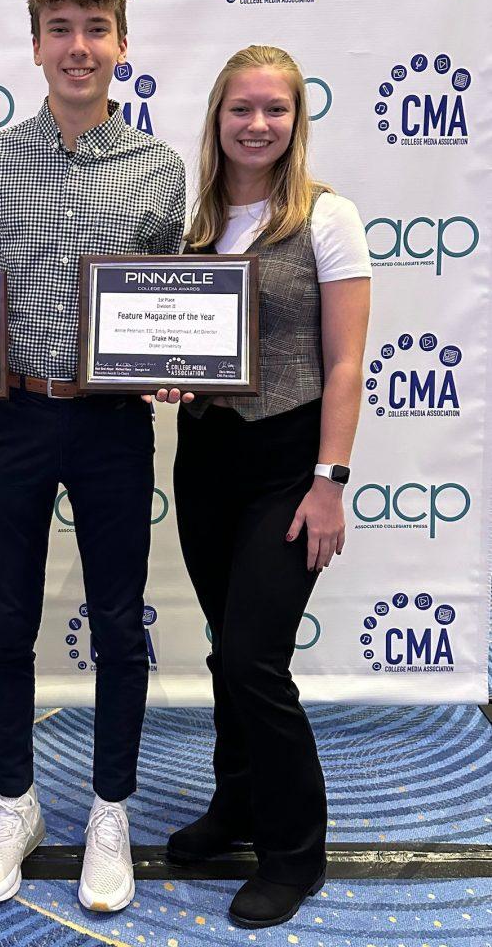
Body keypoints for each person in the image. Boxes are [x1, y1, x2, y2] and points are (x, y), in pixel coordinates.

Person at [0, 0, 186, 912]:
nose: (78, 47)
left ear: (121, 42)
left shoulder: (160, 169)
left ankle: (109, 810)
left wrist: (177, 364)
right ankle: (17, 803)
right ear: (36, 42)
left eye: (95, 29)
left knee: (121, 628)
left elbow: (172, 311)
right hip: (12, 417)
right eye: (61, 29)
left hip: (108, 430)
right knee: (7, 623)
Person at [160, 45, 371, 929]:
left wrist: (329, 482)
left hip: (290, 462)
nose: (256, 124)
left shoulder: (328, 217)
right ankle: (236, 804)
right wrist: (162, 371)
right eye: (239, 109)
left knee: (254, 656)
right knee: (223, 648)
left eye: (273, 110)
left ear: (295, 120)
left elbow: (346, 361)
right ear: (216, 119)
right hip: (205, 457)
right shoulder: (194, 222)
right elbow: (175, 336)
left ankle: (294, 853)